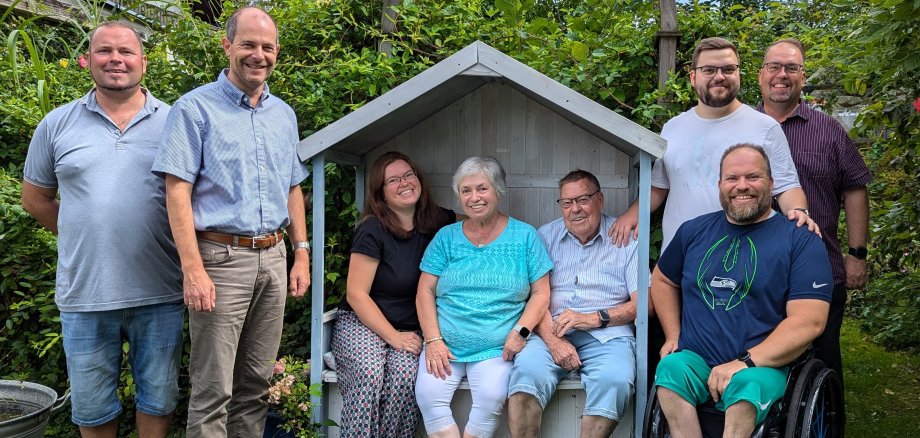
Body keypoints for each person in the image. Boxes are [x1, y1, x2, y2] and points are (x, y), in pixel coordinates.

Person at [151, 6, 311, 437]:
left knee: (256, 386)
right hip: (219, 260)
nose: (258, 55)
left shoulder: (284, 114)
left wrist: (301, 253)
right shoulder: (194, 109)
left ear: (277, 52)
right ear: (227, 46)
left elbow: (292, 187)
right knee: (213, 390)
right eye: (248, 45)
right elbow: (176, 191)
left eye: (266, 47)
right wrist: (192, 269)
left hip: (274, 257)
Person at [21, 21, 183, 437]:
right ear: (85, 61)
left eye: (126, 52)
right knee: (92, 410)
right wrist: (81, 233)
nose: (116, 59)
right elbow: (35, 198)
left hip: (161, 292)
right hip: (85, 294)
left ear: (143, 63)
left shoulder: (176, 122)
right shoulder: (56, 125)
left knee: (158, 400)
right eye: (105, 51)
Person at [651, 144, 832, 437]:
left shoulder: (800, 240)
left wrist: (744, 363)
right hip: (696, 359)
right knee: (669, 370)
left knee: (746, 389)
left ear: (771, 184)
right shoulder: (693, 231)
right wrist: (673, 334)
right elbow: (662, 280)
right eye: (732, 178)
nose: (742, 186)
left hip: (762, 366)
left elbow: (809, 321)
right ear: (720, 185)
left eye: (753, 177)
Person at [610, 37, 814, 251]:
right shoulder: (673, 127)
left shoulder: (765, 127)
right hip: (679, 260)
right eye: (709, 70)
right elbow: (659, 187)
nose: (719, 77)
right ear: (693, 77)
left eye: (728, 69)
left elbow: (787, 187)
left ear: (738, 75)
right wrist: (632, 214)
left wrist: (799, 212)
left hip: (743, 259)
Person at [757, 37, 871, 383]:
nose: (782, 75)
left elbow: (855, 188)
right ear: (760, 75)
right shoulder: (740, 127)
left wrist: (857, 253)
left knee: (822, 363)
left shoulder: (828, 130)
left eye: (792, 67)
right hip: (755, 270)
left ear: (803, 77)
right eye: (774, 66)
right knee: (758, 358)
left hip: (819, 266)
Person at [415, 156, 553, 438]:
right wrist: (434, 340)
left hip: (498, 346)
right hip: (446, 345)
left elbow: (541, 293)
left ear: (498, 191)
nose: (474, 197)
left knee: (491, 398)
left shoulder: (524, 236)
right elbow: (424, 291)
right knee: (428, 397)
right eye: (466, 191)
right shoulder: (446, 237)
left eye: (482, 189)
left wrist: (520, 333)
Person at [331, 151, 457, 437]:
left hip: (411, 327)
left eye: (408, 175)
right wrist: (393, 337)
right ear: (381, 193)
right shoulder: (372, 229)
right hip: (362, 322)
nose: (404, 183)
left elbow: (480, 222)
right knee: (368, 374)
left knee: (403, 378)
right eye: (393, 180)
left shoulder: (438, 220)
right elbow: (356, 294)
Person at [507, 170, 639, 438]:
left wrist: (592, 318)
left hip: (608, 334)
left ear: (600, 199)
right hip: (550, 331)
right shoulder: (544, 236)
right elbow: (532, 296)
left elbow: (642, 304)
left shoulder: (626, 239)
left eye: (583, 200)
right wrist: (553, 342)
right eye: (567, 203)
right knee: (526, 377)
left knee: (615, 379)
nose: (575, 209)